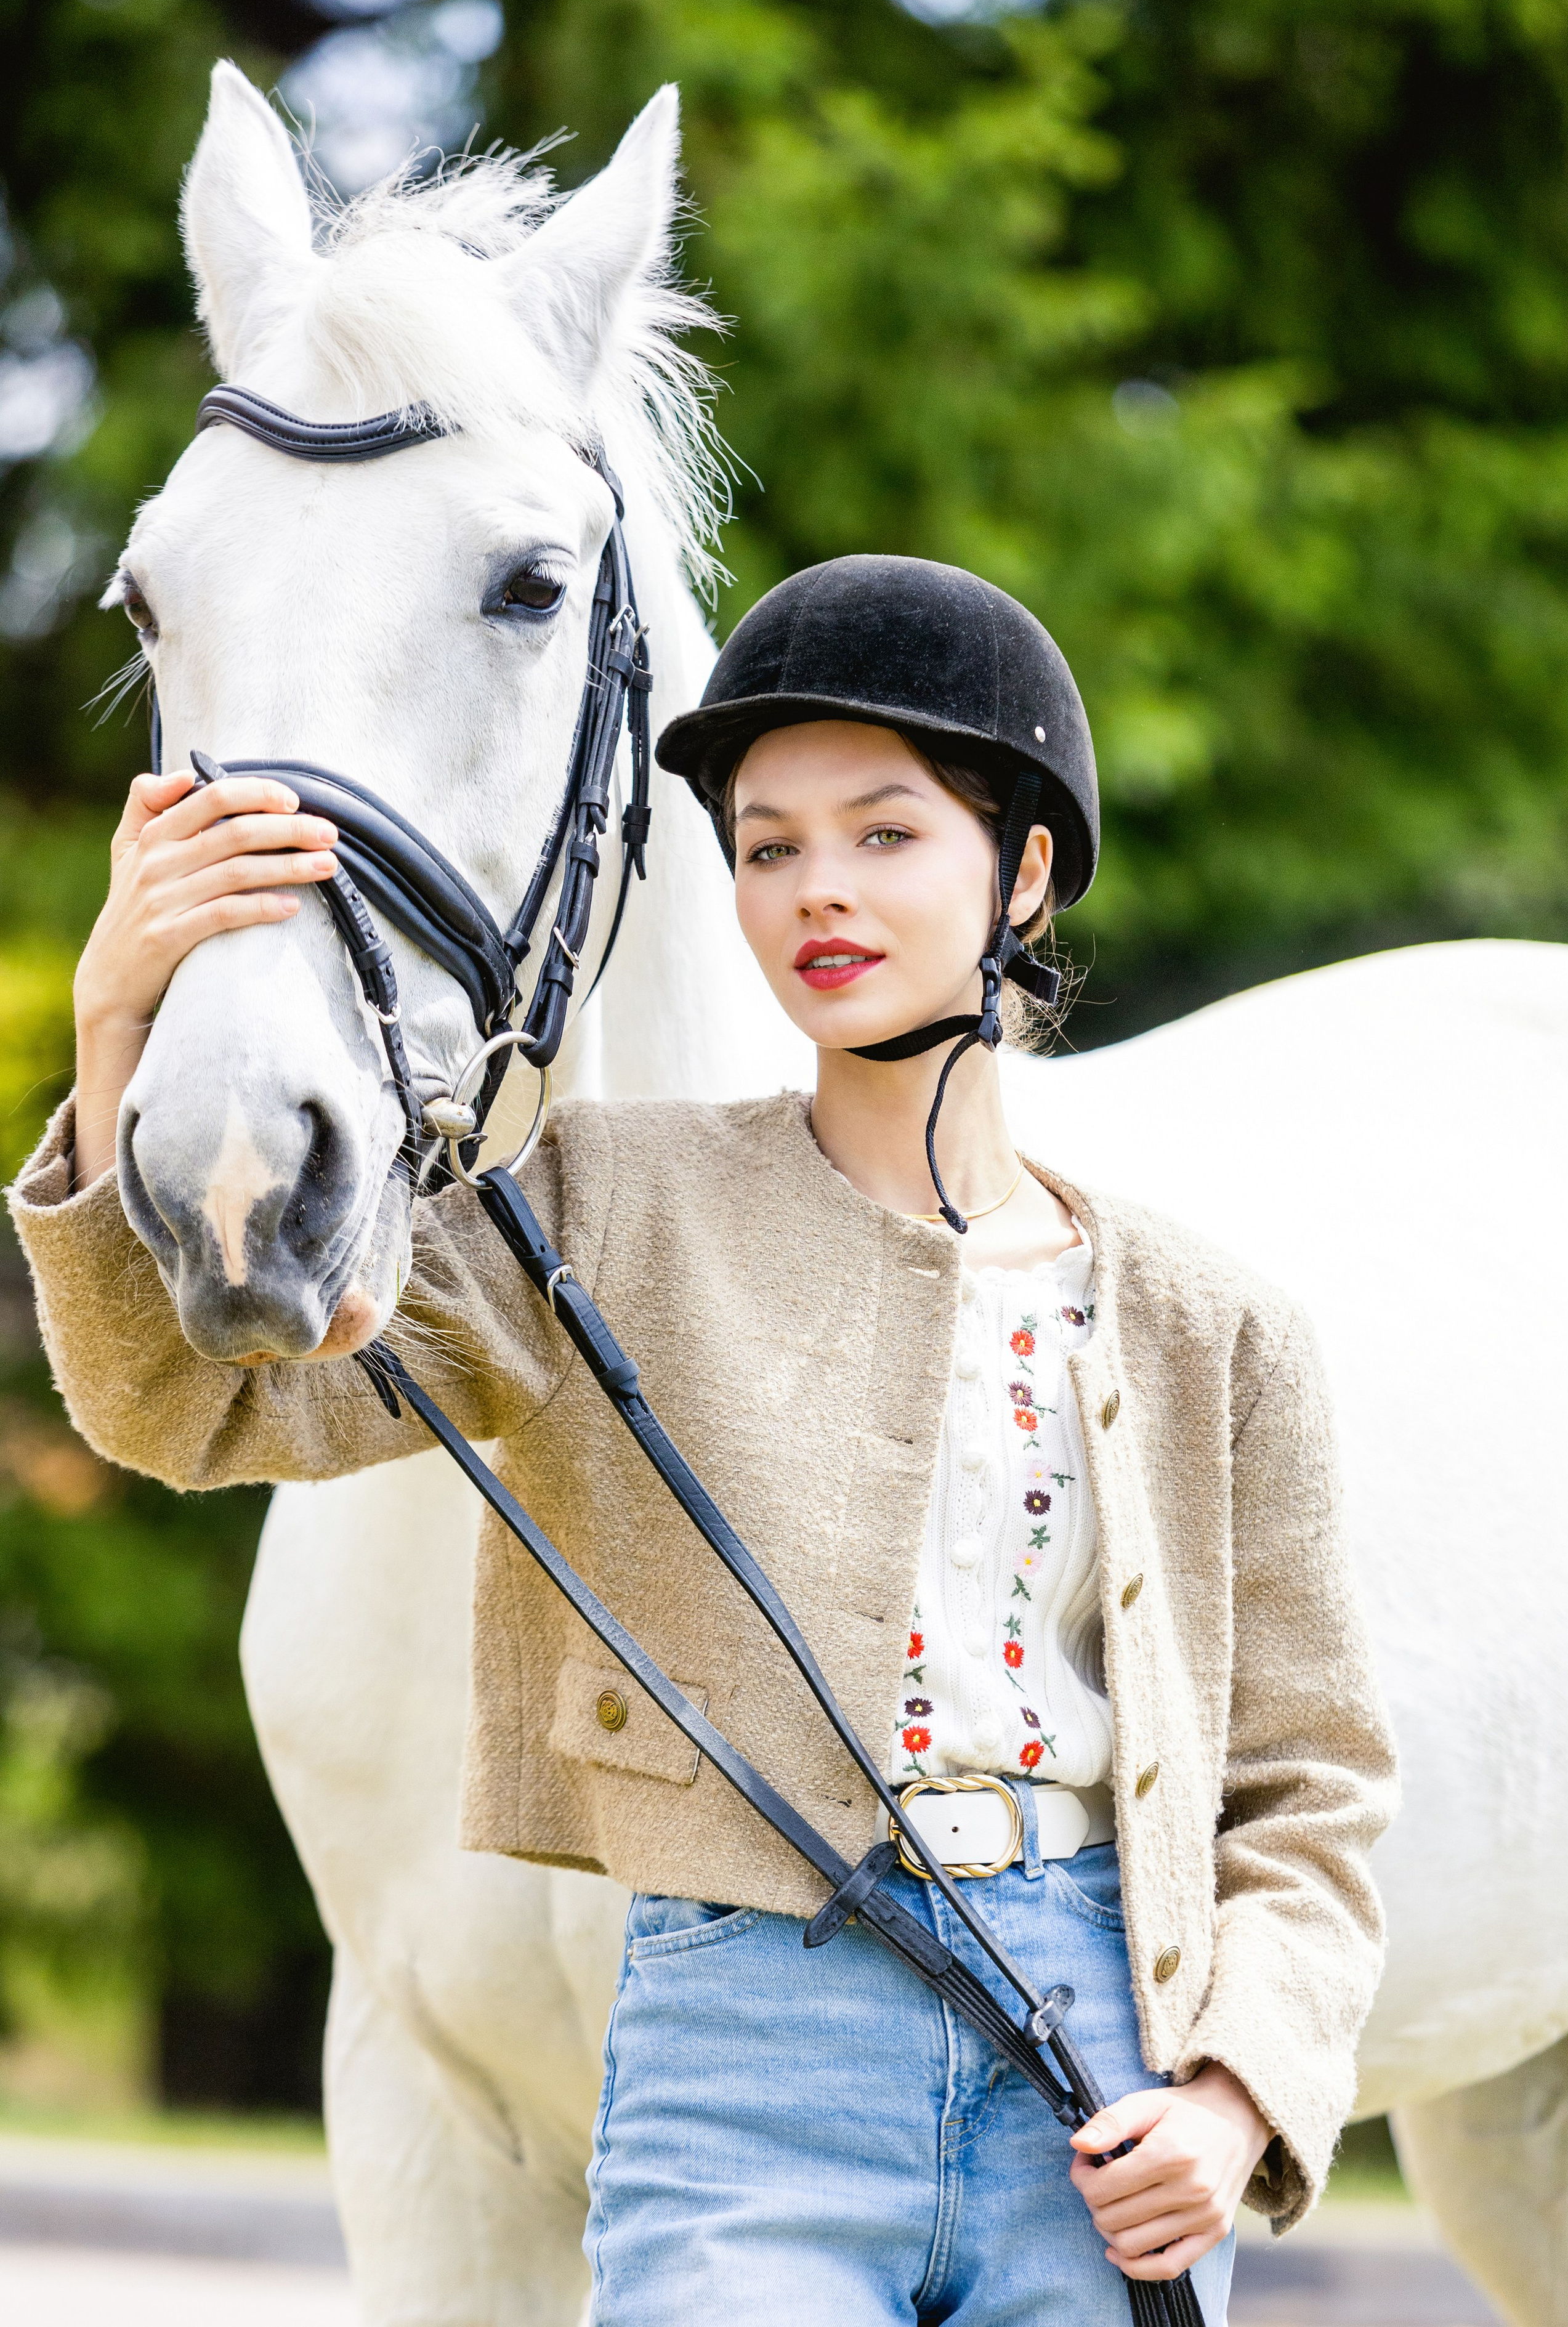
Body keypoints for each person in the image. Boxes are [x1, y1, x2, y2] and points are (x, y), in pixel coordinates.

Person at [12, 554, 1397, 2326]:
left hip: (1108, 2083)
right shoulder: (604, 1202)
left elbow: (1313, 1786)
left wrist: (1233, 2094)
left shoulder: (1217, 1326)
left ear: (1027, 867)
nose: (817, 887)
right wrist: (117, 1026)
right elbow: (192, 1404)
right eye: (766, 843)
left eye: (885, 833)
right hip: (751, 2064)